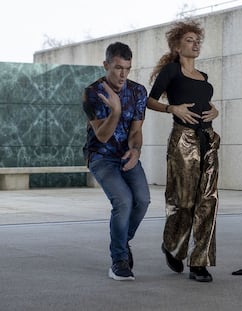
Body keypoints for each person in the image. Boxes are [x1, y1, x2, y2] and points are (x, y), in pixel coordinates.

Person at [147, 20, 220, 282]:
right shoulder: (171, 71)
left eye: (197, 40)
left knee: (209, 200)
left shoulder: (204, 77)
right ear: (178, 46)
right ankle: (173, 246)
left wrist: (215, 110)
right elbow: (150, 100)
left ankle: (200, 262)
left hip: (208, 139)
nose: (195, 43)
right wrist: (172, 108)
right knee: (184, 201)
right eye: (189, 40)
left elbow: (204, 102)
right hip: (183, 141)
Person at [82, 42, 150, 281]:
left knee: (142, 200)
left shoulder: (138, 92)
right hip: (101, 156)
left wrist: (136, 150)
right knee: (123, 200)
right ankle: (119, 260)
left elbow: (136, 131)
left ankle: (122, 240)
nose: (123, 74)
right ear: (106, 65)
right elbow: (101, 136)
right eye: (118, 68)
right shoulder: (92, 92)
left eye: (128, 69)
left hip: (126, 154)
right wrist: (116, 112)